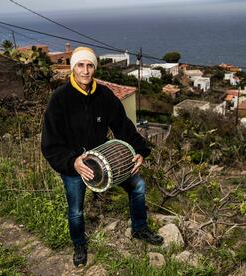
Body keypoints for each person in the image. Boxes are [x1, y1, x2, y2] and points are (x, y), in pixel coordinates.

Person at [41, 46, 163, 267]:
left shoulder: (105, 95)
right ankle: (79, 244)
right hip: (75, 167)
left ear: (94, 68)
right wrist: (72, 162)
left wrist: (139, 151)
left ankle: (140, 229)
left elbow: (123, 126)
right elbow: (50, 144)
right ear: (73, 68)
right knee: (76, 210)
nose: (86, 71)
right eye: (80, 65)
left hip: (105, 163)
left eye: (90, 65)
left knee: (138, 186)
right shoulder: (59, 99)